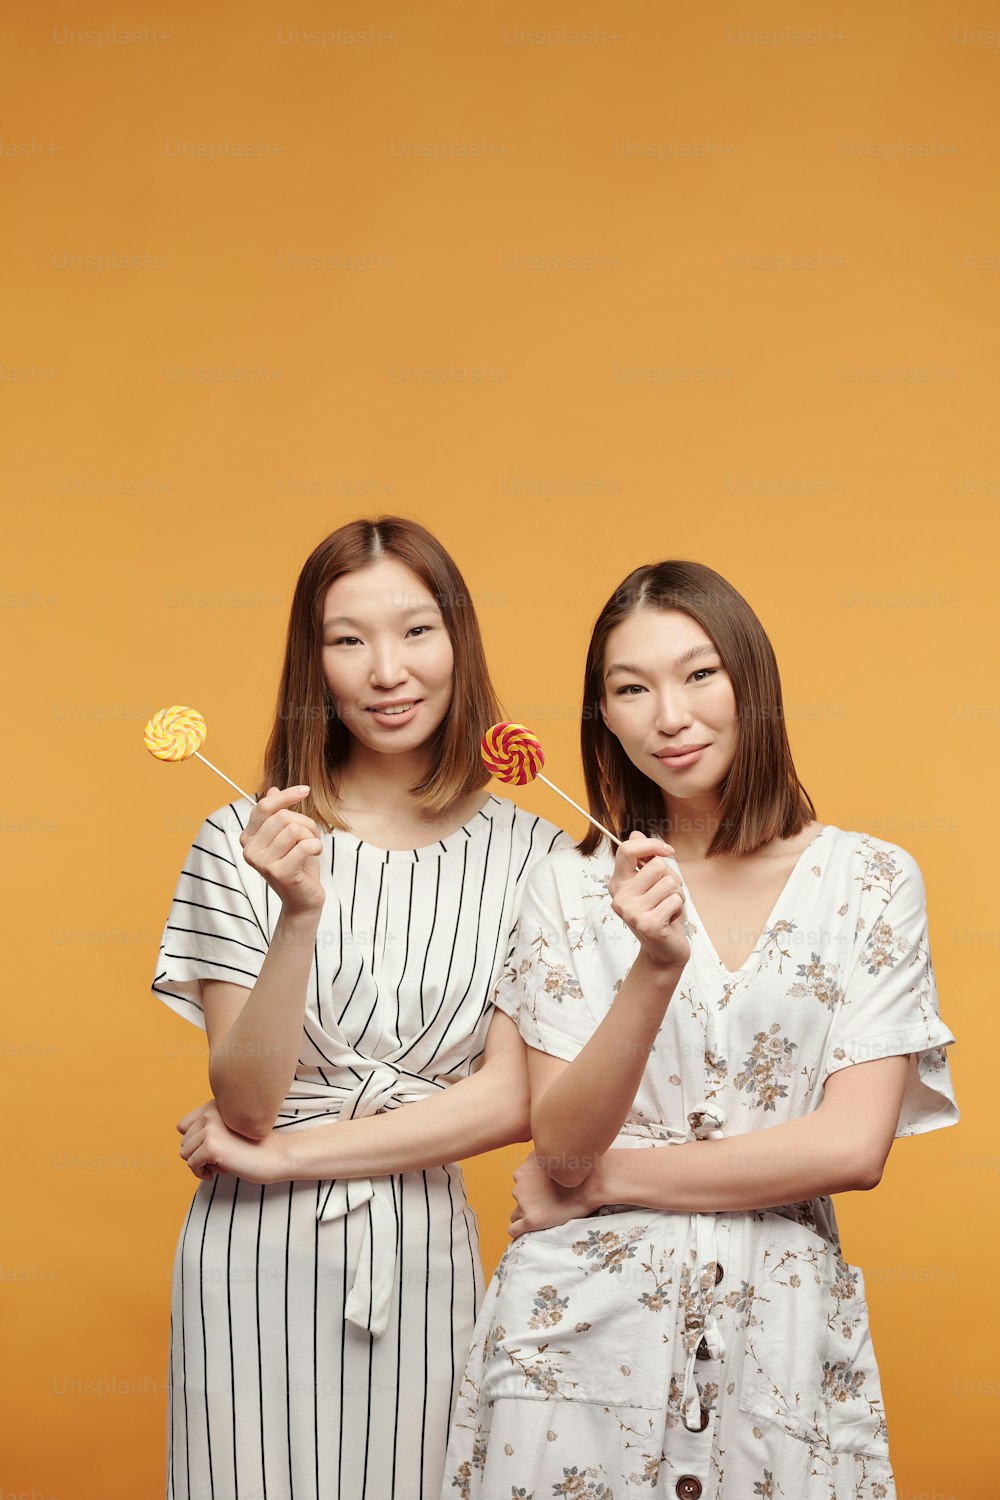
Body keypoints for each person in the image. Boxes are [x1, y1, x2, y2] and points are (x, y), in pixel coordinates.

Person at [440, 559, 958, 1500]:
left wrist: (607, 1181)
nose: (668, 717)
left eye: (698, 674)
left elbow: (852, 1146)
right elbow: (558, 1144)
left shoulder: (871, 882)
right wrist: (655, 966)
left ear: (750, 680)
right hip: (575, 1334)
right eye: (629, 690)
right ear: (603, 717)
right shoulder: (566, 884)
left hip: (779, 1332)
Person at [150, 516, 572, 1500]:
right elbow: (246, 1105)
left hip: (421, 1243)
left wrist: (284, 1154)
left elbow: (513, 1102)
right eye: (349, 640)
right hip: (250, 1258)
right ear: (315, 663)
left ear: (459, 643)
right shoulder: (237, 840)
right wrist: (296, 913)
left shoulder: (540, 857)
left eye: (416, 631)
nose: (388, 670)